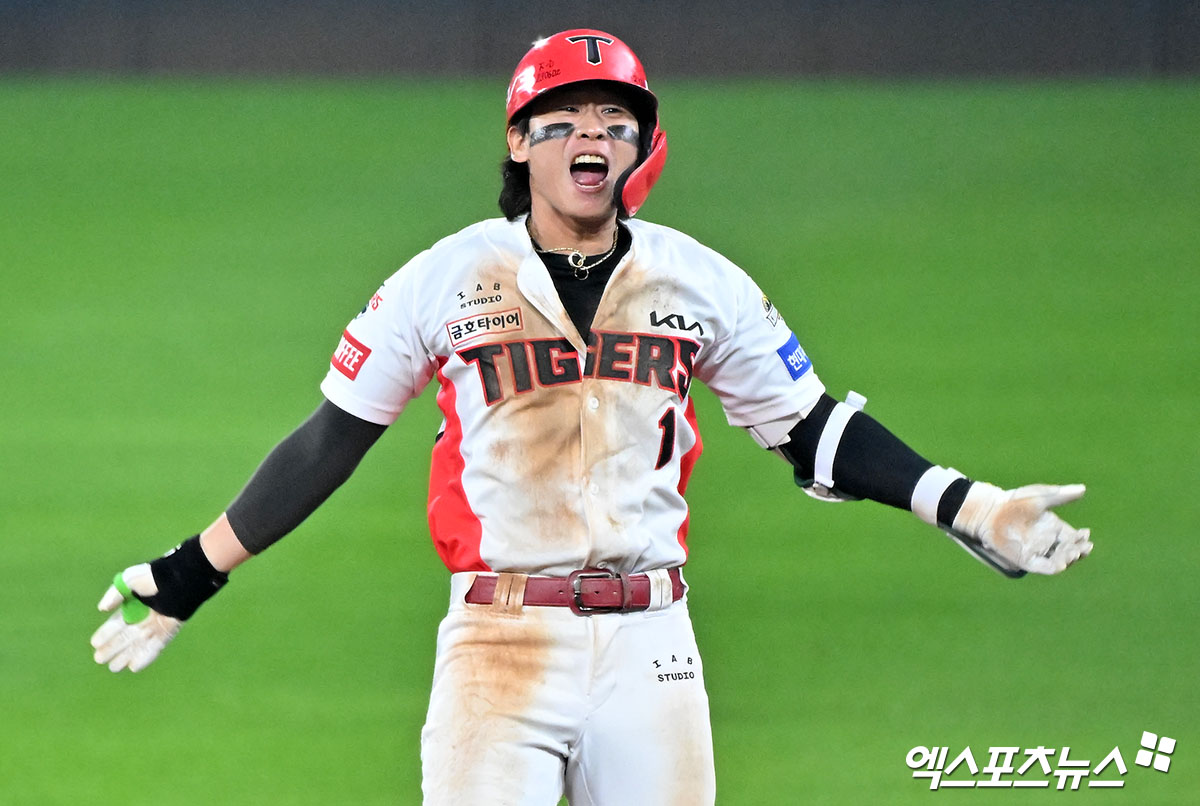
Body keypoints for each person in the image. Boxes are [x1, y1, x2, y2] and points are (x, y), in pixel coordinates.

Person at [91, 29, 1093, 805]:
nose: (591, 139)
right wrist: (191, 572)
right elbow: (331, 438)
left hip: (654, 642)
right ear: (520, 140)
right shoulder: (444, 278)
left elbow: (814, 428)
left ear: (641, 147)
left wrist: (971, 505)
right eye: (565, 119)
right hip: (499, 640)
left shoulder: (700, 281)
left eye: (615, 122)